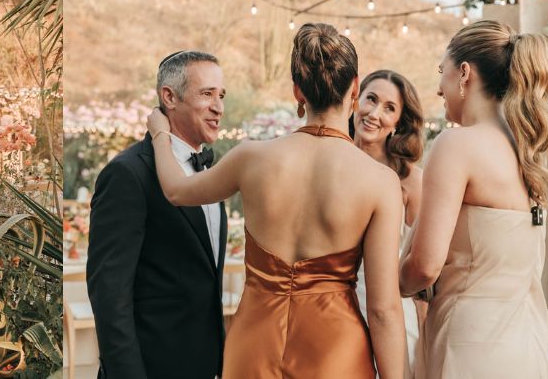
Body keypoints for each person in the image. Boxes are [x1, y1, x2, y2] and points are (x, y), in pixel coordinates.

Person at [147, 23, 405, 379]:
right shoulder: (380, 181)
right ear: (356, 89)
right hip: (334, 351)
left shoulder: (251, 158)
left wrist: (161, 134)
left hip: (252, 345)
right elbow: (383, 310)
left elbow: (175, 190)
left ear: (298, 91)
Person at [401, 21, 548, 378]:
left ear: (465, 73)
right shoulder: (528, 151)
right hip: (529, 347)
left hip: (472, 347)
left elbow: (424, 266)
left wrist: (389, 282)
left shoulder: (456, 145)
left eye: (443, 71)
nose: (439, 86)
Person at [87, 51, 227, 379]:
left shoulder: (211, 172)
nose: (219, 107)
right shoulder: (127, 174)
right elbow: (110, 296)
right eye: (206, 94)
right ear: (169, 97)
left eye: (221, 96)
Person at [353, 69, 426, 373]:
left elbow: (421, 270)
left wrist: (425, 342)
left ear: (399, 123)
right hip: (337, 307)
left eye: (389, 108)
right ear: (355, 99)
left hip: (394, 310)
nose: (374, 113)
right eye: (370, 99)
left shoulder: (410, 180)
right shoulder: (331, 160)